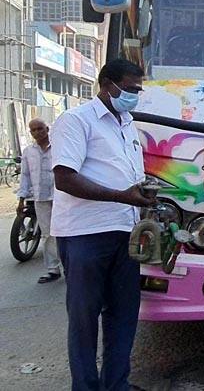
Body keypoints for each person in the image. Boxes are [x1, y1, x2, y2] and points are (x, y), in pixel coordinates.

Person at [51, 58, 154, 391]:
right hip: (84, 235)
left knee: (123, 315)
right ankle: (85, 385)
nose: (134, 94)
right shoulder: (75, 120)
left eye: (138, 89)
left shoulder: (127, 123)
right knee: (84, 318)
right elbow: (65, 178)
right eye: (130, 88)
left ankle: (116, 384)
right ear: (107, 84)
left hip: (125, 232)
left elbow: (130, 177)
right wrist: (121, 196)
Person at [16, 118, 61, 283]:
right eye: (33, 130)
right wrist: (21, 200)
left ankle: (71, 268)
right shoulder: (28, 152)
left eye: (40, 129)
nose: (37, 133)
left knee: (65, 232)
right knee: (47, 234)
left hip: (61, 197)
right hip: (40, 198)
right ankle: (53, 270)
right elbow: (25, 176)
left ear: (47, 129)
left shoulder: (59, 148)